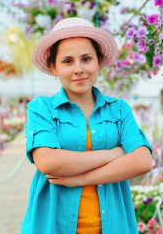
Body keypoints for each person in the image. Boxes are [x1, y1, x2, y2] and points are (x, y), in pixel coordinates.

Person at [21, 17, 153, 234]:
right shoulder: (41, 108)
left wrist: (80, 179)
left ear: (98, 63)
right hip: (53, 226)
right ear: (53, 67)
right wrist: (114, 154)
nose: (78, 69)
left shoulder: (119, 110)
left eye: (86, 59)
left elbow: (142, 161)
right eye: (67, 61)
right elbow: (48, 162)